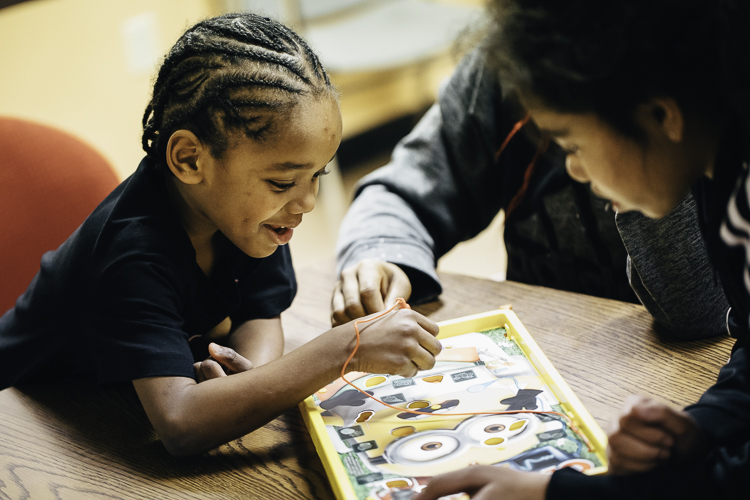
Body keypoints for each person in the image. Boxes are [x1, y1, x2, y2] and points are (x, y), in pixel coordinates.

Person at [0, 13, 442, 458]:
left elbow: (260, 313)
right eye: (283, 182)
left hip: (113, 401)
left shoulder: (247, 217)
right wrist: (347, 347)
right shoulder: (132, 252)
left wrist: (247, 383)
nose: (307, 202)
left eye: (317, 174)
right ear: (190, 159)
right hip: (23, 420)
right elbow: (180, 424)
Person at [413, 0, 750, 498]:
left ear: (661, 115)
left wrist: (554, 493)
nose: (572, 168)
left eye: (571, 145)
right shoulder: (718, 166)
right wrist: (704, 427)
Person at [331, 33, 729, 340]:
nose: (575, 167)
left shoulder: (708, 113)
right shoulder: (509, 66)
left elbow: (700, 314)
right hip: (544, 359)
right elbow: (401, 192)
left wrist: (642, 159)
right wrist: (381, 255)